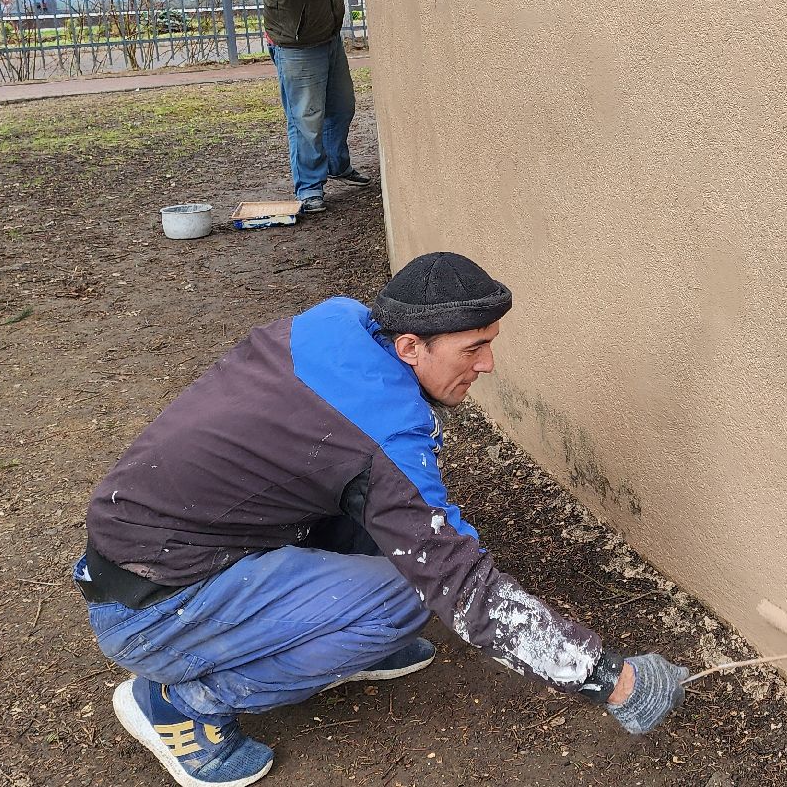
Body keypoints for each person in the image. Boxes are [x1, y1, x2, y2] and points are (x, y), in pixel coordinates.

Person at [74, 252, 687, 787]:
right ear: (409, 346)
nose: (489, 364)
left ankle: (313, 628)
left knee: (407, 524)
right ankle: (179, 702)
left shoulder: (336, 322)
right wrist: (612, 679)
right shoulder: (380, 435)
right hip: (154, 605)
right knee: (406, 598)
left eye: (490, 342)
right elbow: (466, 590)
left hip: (161, 543)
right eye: (473, 347)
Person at [251, 0, 380, 214]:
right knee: (306, 118)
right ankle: (309, 187)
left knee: (342, 107)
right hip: (296, 44)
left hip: (328, 34)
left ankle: (337, 165)